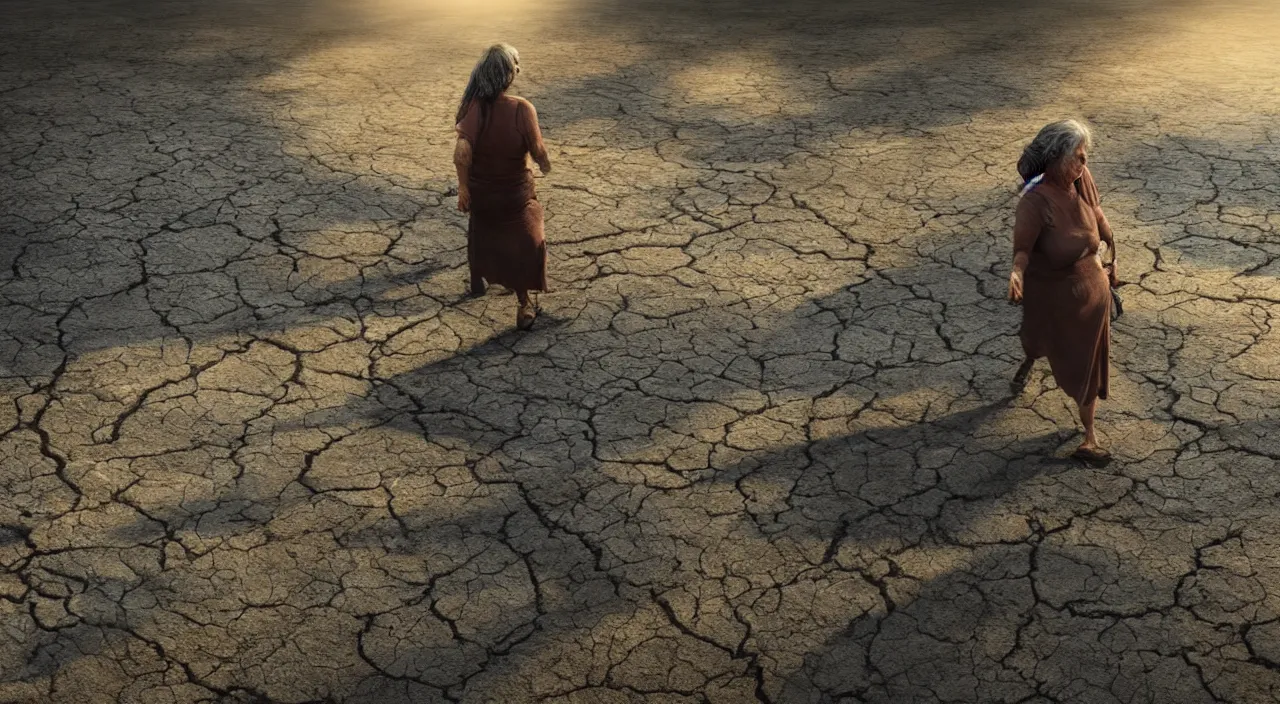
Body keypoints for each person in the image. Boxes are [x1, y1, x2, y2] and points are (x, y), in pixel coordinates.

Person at [1007, 119, 1118, 463]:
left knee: (1088, 366)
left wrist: (1113, 249)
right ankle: (1032, 355)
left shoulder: (1081, 179)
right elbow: (1022, 250)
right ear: (1055, 158)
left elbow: (1097, 213)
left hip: (1093, 297)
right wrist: (1016, 274)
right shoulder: (1035, 202)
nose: (1085, 165)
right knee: (1041, 337)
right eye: (1078, 157)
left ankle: (1089, 436)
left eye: (1085, 157)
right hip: (1055, 296)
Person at [453, 43, 552, 330]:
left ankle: (477, 281)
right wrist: (545, 166)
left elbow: (462, 151)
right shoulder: (521, 108)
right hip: (514, 196)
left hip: (483, 196)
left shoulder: (474, 108)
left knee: (481, 226)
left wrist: (463, 188)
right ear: (507, 74)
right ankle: (524, 302)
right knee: (527, 239)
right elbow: (538, 150)